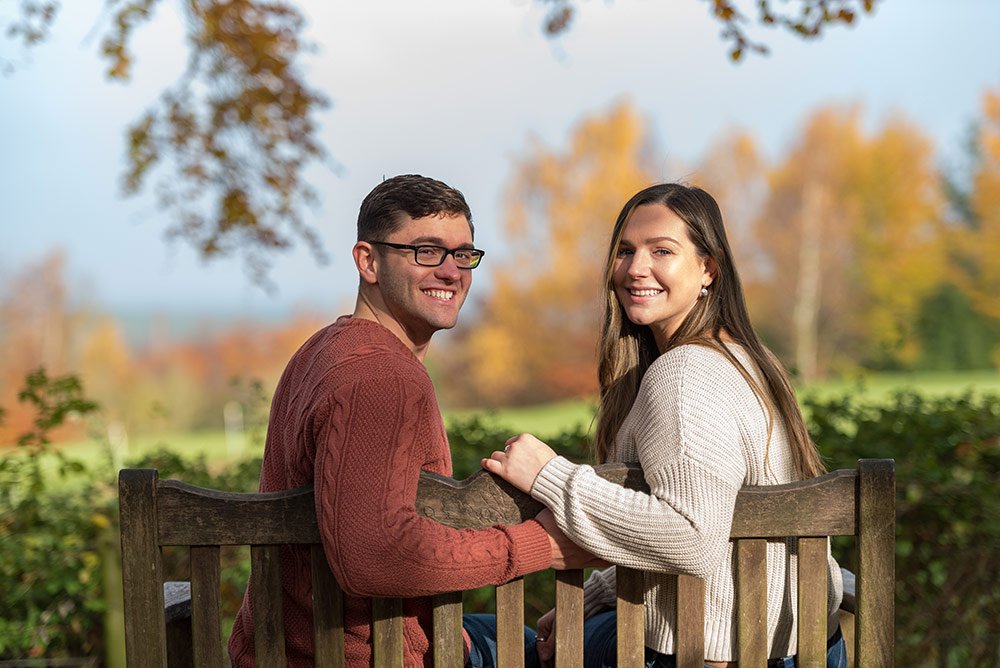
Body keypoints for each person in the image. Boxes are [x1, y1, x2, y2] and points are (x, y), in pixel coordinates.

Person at [228, 174, 597, 668]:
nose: (451, 272)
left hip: (291, 643)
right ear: (368, 261)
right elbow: (376, 555)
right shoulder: (380, 378)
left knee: (517, 636)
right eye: (426, 251)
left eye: (463, 254)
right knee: (583, 649)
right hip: (361, 657)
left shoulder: (324, 349)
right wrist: (539, 546)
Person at [483, 183, 847, 668]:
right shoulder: (746, 361)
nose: (636, 268)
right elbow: (712, 522)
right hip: (806, 648)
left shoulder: (684, 374)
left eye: (662, 251)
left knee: (494, 645)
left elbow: (693, 537)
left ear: (708, 270)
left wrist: (550, 476)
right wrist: (594, 598)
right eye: (626, 251)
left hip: (712, 653)